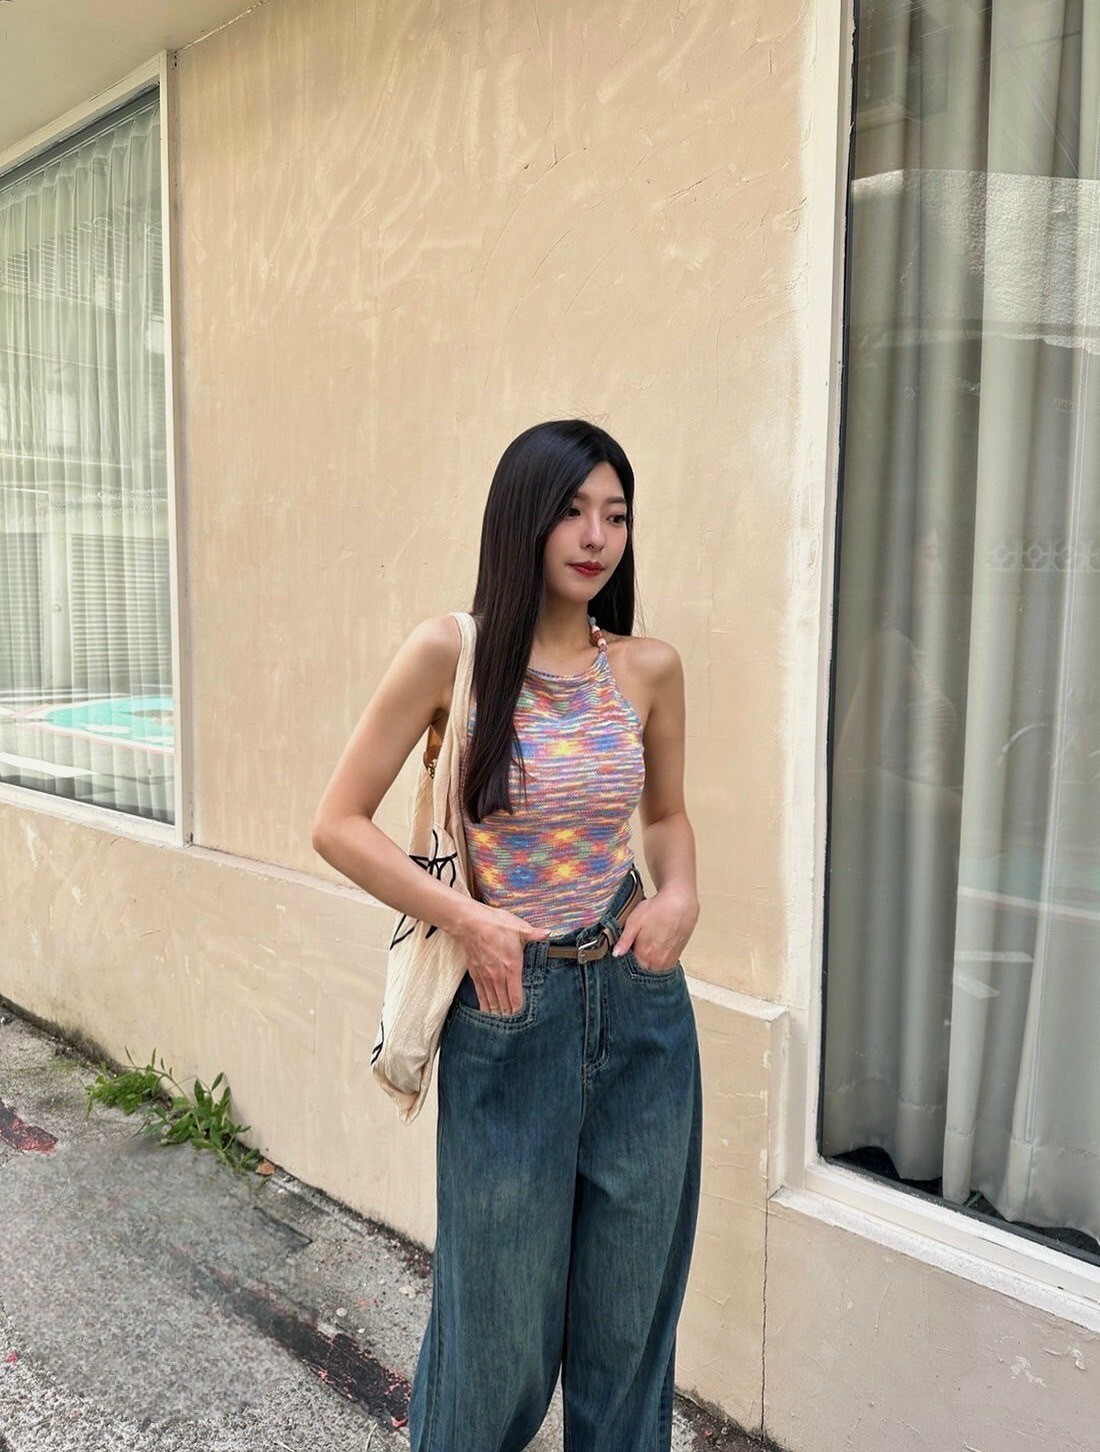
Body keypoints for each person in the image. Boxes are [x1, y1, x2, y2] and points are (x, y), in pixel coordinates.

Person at [312, 419, 702, 1451]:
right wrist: (469, 918)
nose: (596, 536)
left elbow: (664, 815)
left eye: (616, 515)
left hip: (639, 1004)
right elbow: (337, 823)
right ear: (523, 517)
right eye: (572, 510)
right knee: (494, 1328)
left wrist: (678, 895)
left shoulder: (648, 668)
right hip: (508, 1004)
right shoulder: (453, 652)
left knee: (629, 1321)